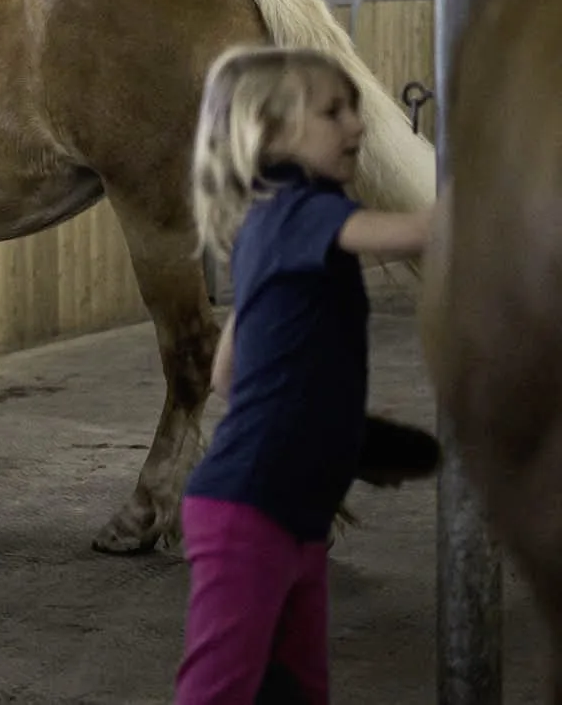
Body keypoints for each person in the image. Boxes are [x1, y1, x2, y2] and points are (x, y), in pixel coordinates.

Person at [177, 47, 435, 705]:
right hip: (250, 509)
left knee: (296, 687)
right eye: (333, 111)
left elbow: (227, 374)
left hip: (292, 507)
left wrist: (327, 432)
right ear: (272, 133)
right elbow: (418, 231)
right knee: (220, 689)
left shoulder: (267, 229)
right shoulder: (302, 209)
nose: (357, 126)